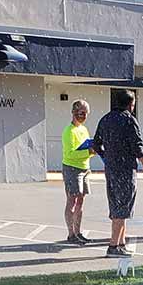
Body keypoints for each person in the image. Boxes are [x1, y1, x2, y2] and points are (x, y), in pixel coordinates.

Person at [93, 89, 143, 258]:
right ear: (131, 104)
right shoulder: (130, 121)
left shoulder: (105, 119)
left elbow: (96, 144)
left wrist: (106, 156)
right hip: (126, 169)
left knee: (116, 205)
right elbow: (137, 147)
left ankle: (121, 243)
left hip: (110, 169)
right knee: (123, 207)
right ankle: (113, 246)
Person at [61, 99, 95, 246]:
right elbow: (70, 154)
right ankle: (71, 234)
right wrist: (88, 152)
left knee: (81, 200)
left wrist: (92, 151)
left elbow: (88, 150)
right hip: (72, 168)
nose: (84, 116)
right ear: (74, 112)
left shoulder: (84, 129)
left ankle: (78, 232)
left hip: (84, 168)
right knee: (72, 200)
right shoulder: (69, 131)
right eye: (81, 113)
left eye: (86, 113)